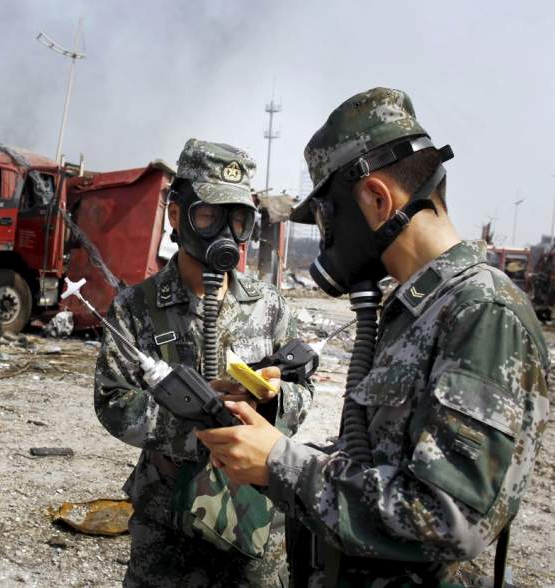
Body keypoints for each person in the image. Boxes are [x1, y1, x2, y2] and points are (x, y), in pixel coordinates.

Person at [197, 87, 550, 587]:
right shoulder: (418, 308)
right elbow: (378, 461)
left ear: (377, 198)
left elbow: (449, 518)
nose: (326, 241)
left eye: (325, 220)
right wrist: (266, 436)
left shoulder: (482, 314)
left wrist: (278, 463)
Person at [94, 138, 314, 587]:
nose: (225, 233)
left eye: (238, 219)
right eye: (210, 216)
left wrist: (270, 404)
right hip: (167, 520)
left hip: (252, 519)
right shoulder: (137, 307)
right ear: (177, 215)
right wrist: (199, 427)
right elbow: (113, 400)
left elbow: (301, 390)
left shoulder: (269, 305)